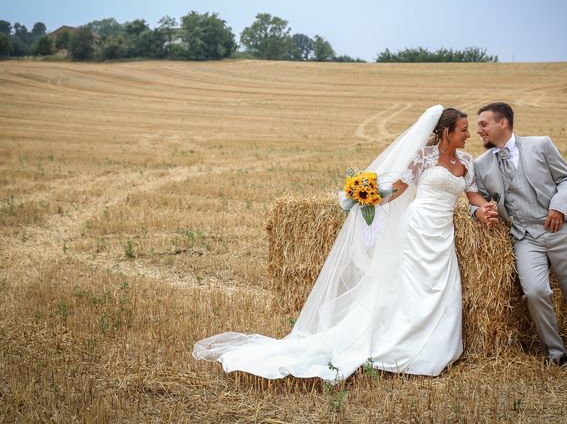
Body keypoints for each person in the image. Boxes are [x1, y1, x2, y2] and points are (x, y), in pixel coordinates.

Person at [193, 106, 494, 380]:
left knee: (443, 285)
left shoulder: (466, 161)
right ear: (446, 132)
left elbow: (473, 195)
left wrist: (483, 209)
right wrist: (369, 195)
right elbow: (399, 190)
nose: (469, 135)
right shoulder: (424, 158)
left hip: (442, 233)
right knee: (412, 284)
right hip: (417, 228)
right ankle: (402, 342)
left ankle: (437, 345)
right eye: (464, 130)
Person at [471, 102, 567, 375]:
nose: (478, 130)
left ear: (503, 123)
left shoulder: (540, 145)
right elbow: (478, 200)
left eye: (483, 124)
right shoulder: (481, 164)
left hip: (559, 230)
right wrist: (478, 212)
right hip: (524, 237)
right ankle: (555, 353)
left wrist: (558, 206)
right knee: (535, 292)